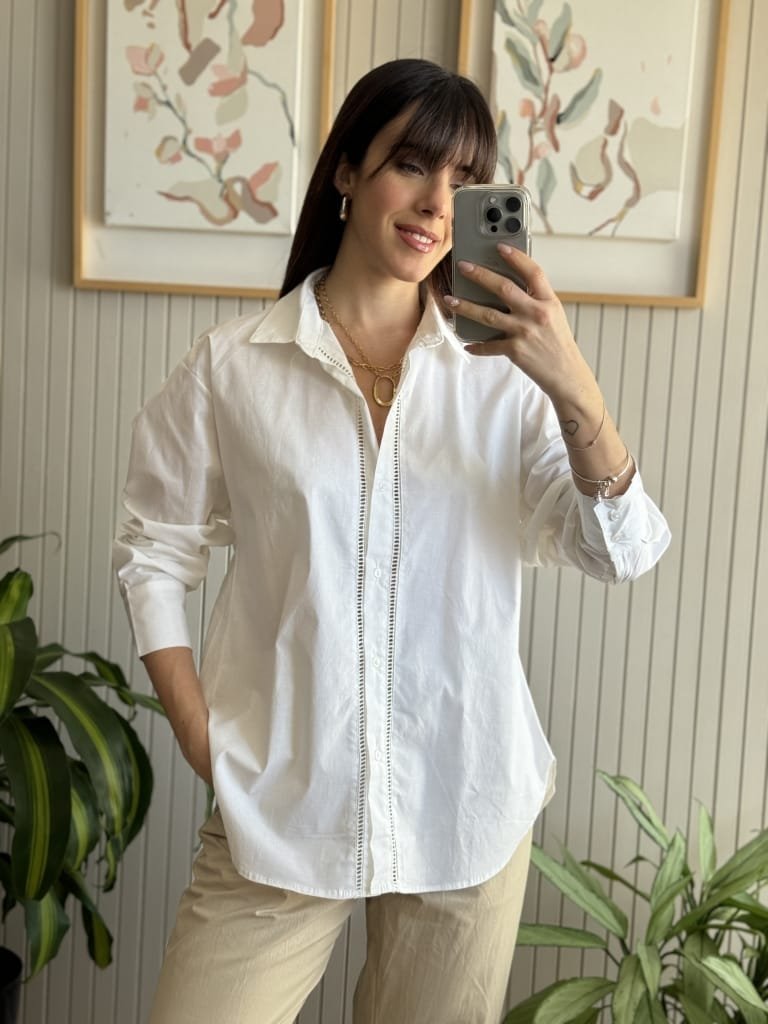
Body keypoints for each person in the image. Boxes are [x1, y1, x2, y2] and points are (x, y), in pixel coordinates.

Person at [114, 58, 670, 1024]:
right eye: (412, 165)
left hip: (467, 809)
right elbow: (153, 547)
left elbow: (620, 550)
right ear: (346, 171)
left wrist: (571, 381)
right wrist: (201, 735)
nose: (437, 206)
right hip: (280, 810)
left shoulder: (505, 381)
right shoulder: (232, 371)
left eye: (465, 182)